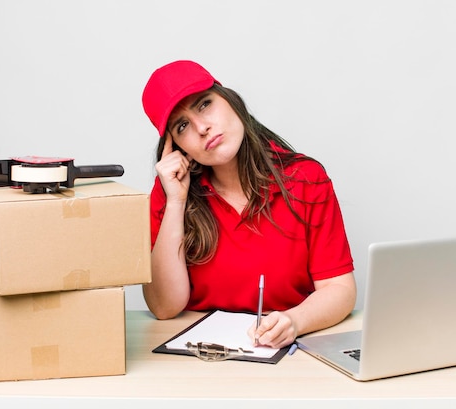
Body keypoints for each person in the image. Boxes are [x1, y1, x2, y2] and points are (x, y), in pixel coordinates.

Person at [141, 60, 357, 349]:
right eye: (182, 126)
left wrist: (294, 321)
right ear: (177, 146)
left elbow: (339, 289)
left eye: (205, 104)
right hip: (201, 357)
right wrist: (176, 201)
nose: (202, 127)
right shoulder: (169, 193)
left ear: (230, 100)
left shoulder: (305, 179)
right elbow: (164, 307)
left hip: (285, 352)